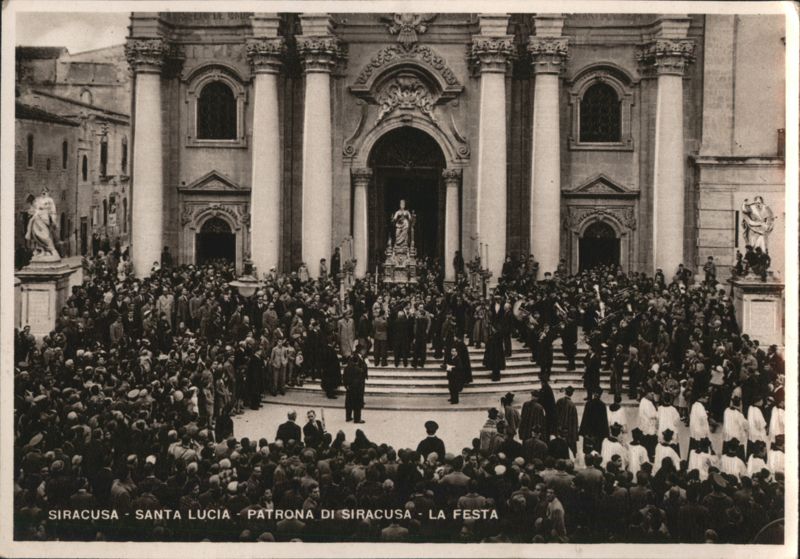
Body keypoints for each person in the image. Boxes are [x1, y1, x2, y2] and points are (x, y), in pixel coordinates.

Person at [343, 344, 368, 423]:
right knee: (357, 401)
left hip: (351, 385)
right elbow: (361, 370)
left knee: (350, 401)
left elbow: (345, 375)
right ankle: (357, 418)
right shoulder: (356, 361)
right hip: (357, 385)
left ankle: (348, 417)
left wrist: (346, 384)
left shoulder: (348, 366)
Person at [555, 387, 579, 455]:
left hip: (559, 430)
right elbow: (574, 423)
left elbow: (555, 416)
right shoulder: (572, 405)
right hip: (568, 433)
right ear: (571, 394)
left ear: (565, 392)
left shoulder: (559, 401)